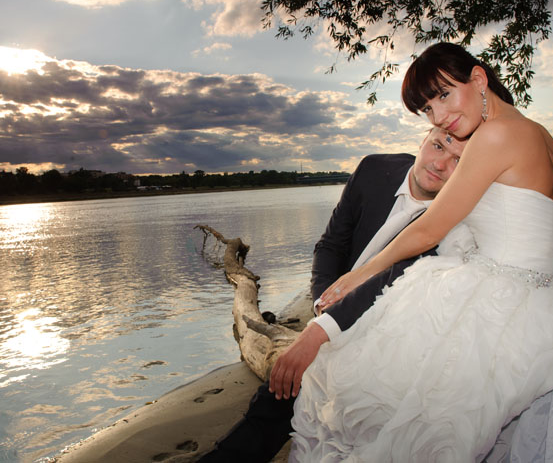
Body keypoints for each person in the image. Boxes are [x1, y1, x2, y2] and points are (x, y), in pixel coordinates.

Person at [289, 43, 553, 461]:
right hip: (552, 294)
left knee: (364, 389)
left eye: (444, 94)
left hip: (507, 300)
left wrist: (356, 275)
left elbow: (429, 229)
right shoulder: (542, 136)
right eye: (428, 109)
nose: (439, 116)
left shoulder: (495, 135)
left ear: (478, 79)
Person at [199, 126, 466, 462]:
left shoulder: (456, 219)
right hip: (335, 312)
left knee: (294, 385)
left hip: (393, 324)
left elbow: (391, 283)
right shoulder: (373, 170)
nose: (440, 164)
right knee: (282, 391)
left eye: (458, 160)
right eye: (439, 146)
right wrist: (322, 304)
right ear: (424, 139)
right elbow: (330, 246)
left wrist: (324, 329)